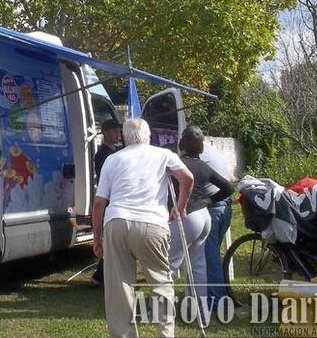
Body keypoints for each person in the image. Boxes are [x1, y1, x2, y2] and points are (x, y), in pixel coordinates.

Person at [92, 118, 194, 338]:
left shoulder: (112, 159)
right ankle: (165, 334)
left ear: (124, 137)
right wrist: (180, 207)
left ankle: (123, 334)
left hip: (117, 221)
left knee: (119, 286)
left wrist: (96, 238)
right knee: (160, 282)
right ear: (148, 135)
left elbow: (99, 203)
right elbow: (187, 178)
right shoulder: (163, 154)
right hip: (151, 222)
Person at [167, 126, 234, 318]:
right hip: (204, 217)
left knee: (169, 265)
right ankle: (201, 312)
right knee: (198, 265)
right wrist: (208, 201)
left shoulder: (178, 164)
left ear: (183, 143)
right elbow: (229, 187)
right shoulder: (203, 166)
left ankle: (160, 309)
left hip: (188, 217)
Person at [199, 143, 235, 304]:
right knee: (212, 253)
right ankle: (216, 291)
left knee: (210, 255)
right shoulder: (214, 151)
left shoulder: (199, 156)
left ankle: (217, 299)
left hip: (213, 208)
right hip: (225, 208)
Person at [92, 118, 123, 285]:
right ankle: (100, 275)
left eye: (118, 131)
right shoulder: (103, 154)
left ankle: (101, 275)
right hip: (109, 200)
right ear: (105, 133)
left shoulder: (117, 152)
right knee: (108, 240)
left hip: (114, 200)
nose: (117, 134)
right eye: (114, 131)